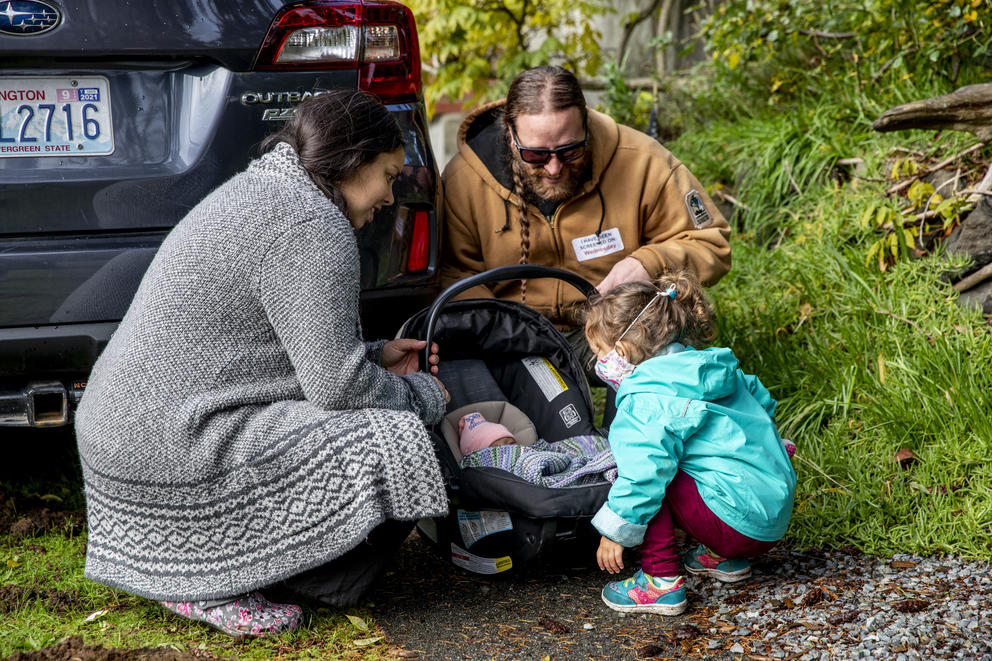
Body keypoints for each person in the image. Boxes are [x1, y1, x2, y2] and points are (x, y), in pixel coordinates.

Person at [74, 91, 450, 639]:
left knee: (384, 423)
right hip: (170, 441)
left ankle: (215, 564)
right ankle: (208, 580)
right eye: (389, 175)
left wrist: (374, 357)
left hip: (123, 433)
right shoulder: (314, 226)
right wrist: (426, 397)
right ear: (355, 159)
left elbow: (276, 354)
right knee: (399, 440)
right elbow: (336, 387)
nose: (391, 197)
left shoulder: (267, 190)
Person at [440, 65, 732, 376]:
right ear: (510, 134)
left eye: (569, 151)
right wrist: (503, 328)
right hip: (511, 339)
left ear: (587, 125)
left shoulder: (643, 161)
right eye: (536, 155)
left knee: (660, 337)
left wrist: (648, 264)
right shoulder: (465, 179)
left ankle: (634, 422)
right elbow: (451, 273)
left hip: (612, 332)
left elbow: (711, 243)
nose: (554, 169)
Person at [583, 270, 796, 615]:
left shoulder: (646, 399)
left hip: (735, 525)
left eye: (600, 353)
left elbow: (642, 476)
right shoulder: (714, 367)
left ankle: (659, 582)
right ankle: (721, 556)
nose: (599, 363)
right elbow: (763, 406)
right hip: (772, 516)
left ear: (621, 350)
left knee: (653, 470)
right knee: (697, 457)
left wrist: (615, 530)